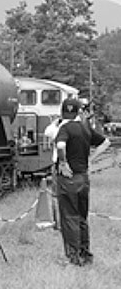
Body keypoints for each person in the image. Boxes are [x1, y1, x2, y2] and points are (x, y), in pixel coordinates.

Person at [55, 98, 110, 266]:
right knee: (82, 217)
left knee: (69, 217)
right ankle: (85, 254)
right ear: (79, 111)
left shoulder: (64, 128)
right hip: (83, 177)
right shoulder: (85, 128)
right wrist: (90, 159)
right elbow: (106, 142)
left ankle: (73, 257)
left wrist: (63, 163)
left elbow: (60, 145)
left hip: (69, 178)